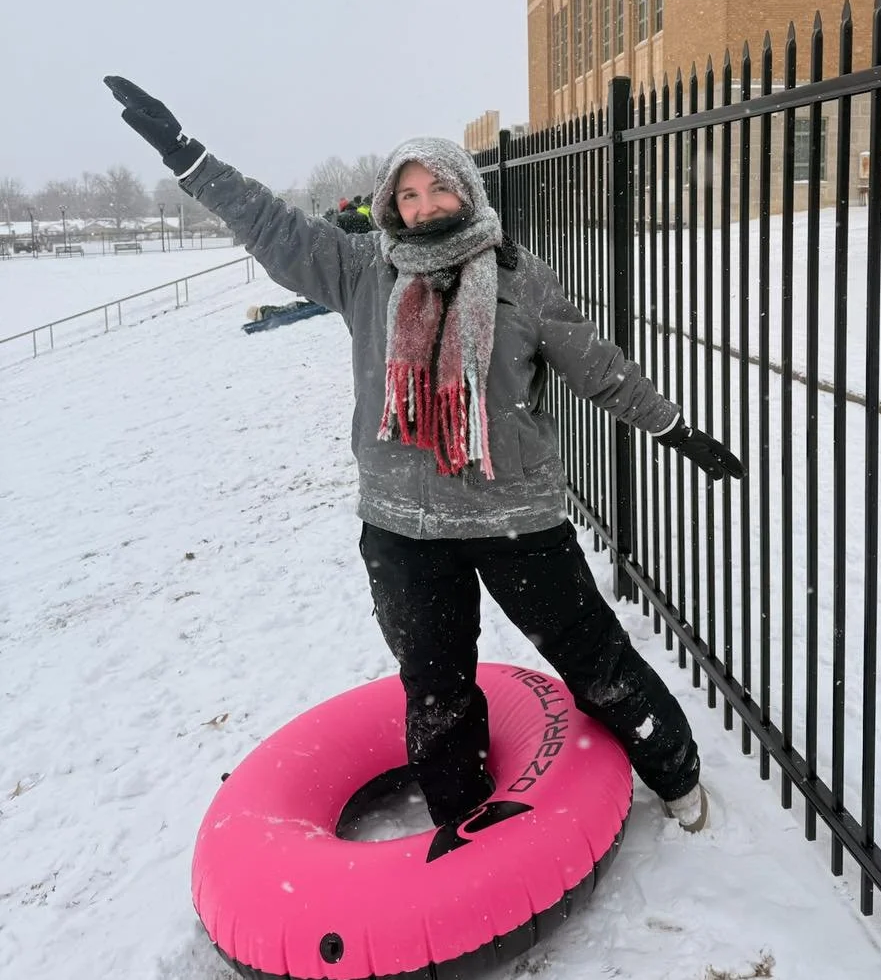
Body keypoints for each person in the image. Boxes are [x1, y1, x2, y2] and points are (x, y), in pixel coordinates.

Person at [104, 75, 745, 834]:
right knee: (436, 689)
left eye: (437, 188)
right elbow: (270, 225)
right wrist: (187, 156)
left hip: (516, 516)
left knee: (595, 657)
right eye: (407, 195)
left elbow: (598, 367)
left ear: (467, 193)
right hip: (402, 528)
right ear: (390, 206)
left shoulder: (520, 279)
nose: (424, 205)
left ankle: (676, 773)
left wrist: (678, 429)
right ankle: (466, 825)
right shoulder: (360, 271)